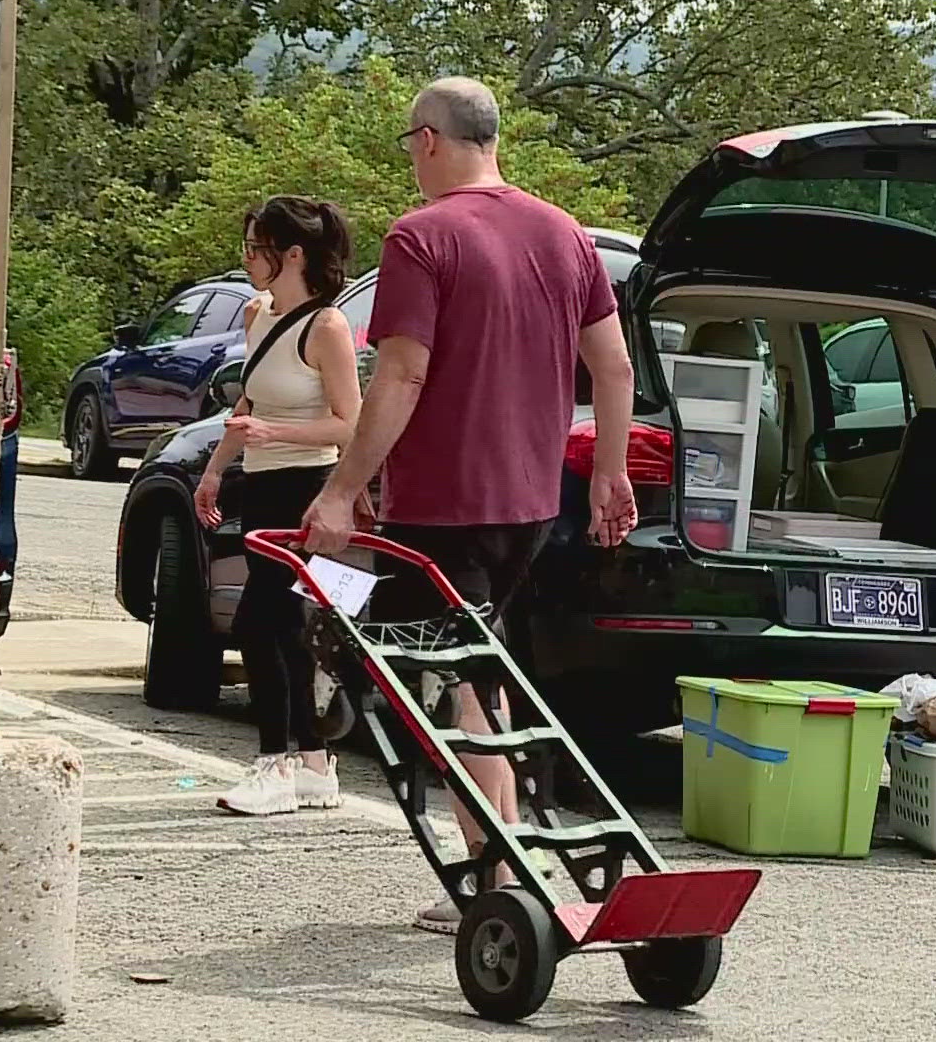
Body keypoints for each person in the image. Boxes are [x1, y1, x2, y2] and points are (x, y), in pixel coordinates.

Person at [298, 77, 638, 934]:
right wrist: (609, 474)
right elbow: (615, 367)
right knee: (483, 674)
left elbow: (403, 374)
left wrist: (343, 487)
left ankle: (498, 875)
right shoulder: (565, 233)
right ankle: (511, 846)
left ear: (427, 142)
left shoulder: (422, 237)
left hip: (444, 503)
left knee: (450, 688)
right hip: (528, 501)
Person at [198, 197, 362, 816]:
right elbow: (244, 413)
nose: (246, 259)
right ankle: (317, 763)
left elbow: (350, 425)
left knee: (257, 622)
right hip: (261, 484)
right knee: (289, 626)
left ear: (292, 254)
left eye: (255, 248)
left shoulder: (327, 328)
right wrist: (214, 471)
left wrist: (279, 434)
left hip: (305, 489)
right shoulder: (255, 313)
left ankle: (275, 763)